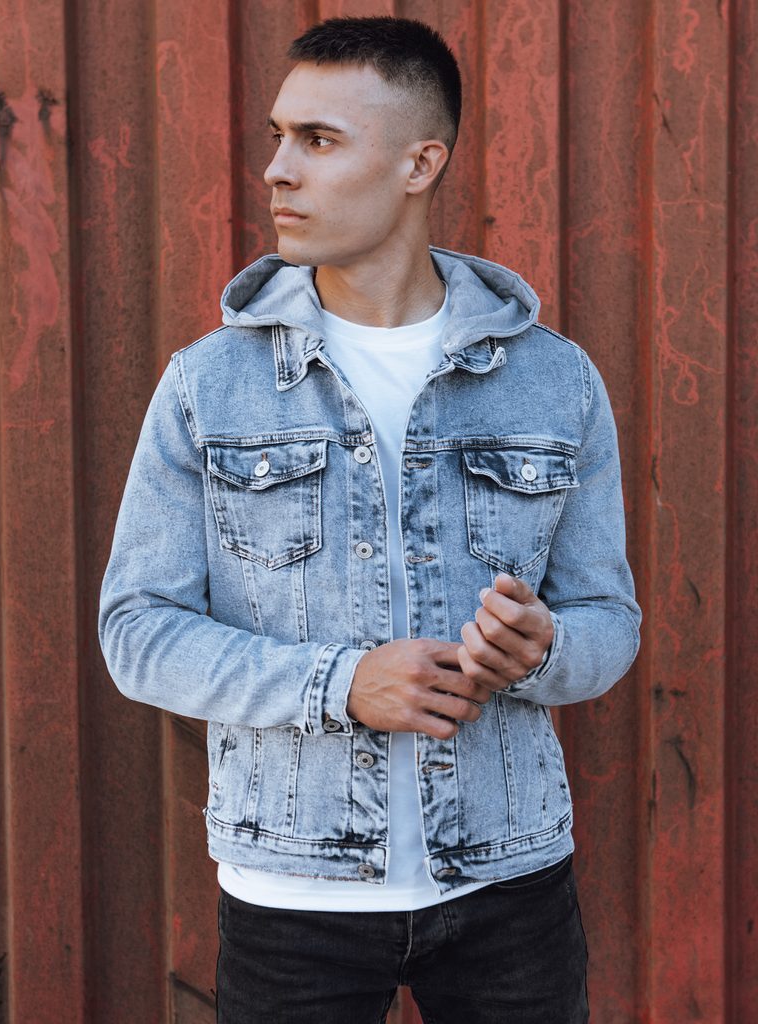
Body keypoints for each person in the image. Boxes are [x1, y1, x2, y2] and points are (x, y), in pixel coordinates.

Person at [99, 15, 640, 1023]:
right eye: (278, 136)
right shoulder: (209, 386)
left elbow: (609, 621)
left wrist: (545, 651)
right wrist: (342, 683)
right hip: (292, 898)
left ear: (419, 164)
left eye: (319, 140)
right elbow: (136, 633)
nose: (277, 171)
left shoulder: (554, 381)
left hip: (510, 887)